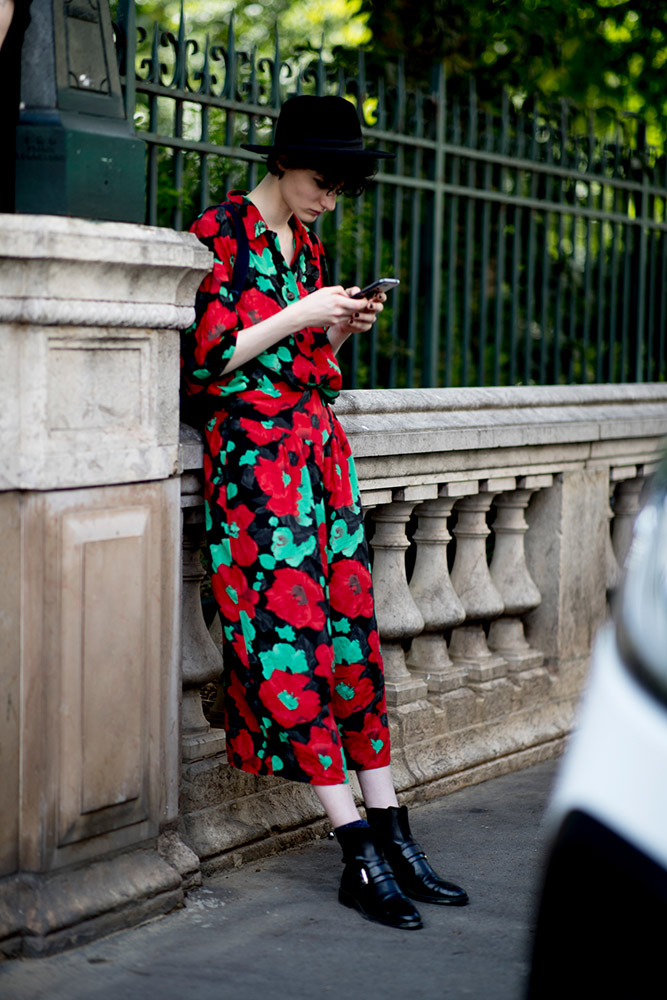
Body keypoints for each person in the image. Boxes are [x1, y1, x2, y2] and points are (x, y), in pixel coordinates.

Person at [181, 94, 468, 929]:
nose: (328, 199)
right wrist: (301, 312)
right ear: (281, 163)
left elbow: (304, 362)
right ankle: (356, 851)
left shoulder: (305, 245)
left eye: (341, 187)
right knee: (287, 644)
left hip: (316, 451)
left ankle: (393, 832)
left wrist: (339, 328)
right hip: (255, 464)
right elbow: (205, 365)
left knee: (349, 637)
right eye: (321, 181)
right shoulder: (217, 234)